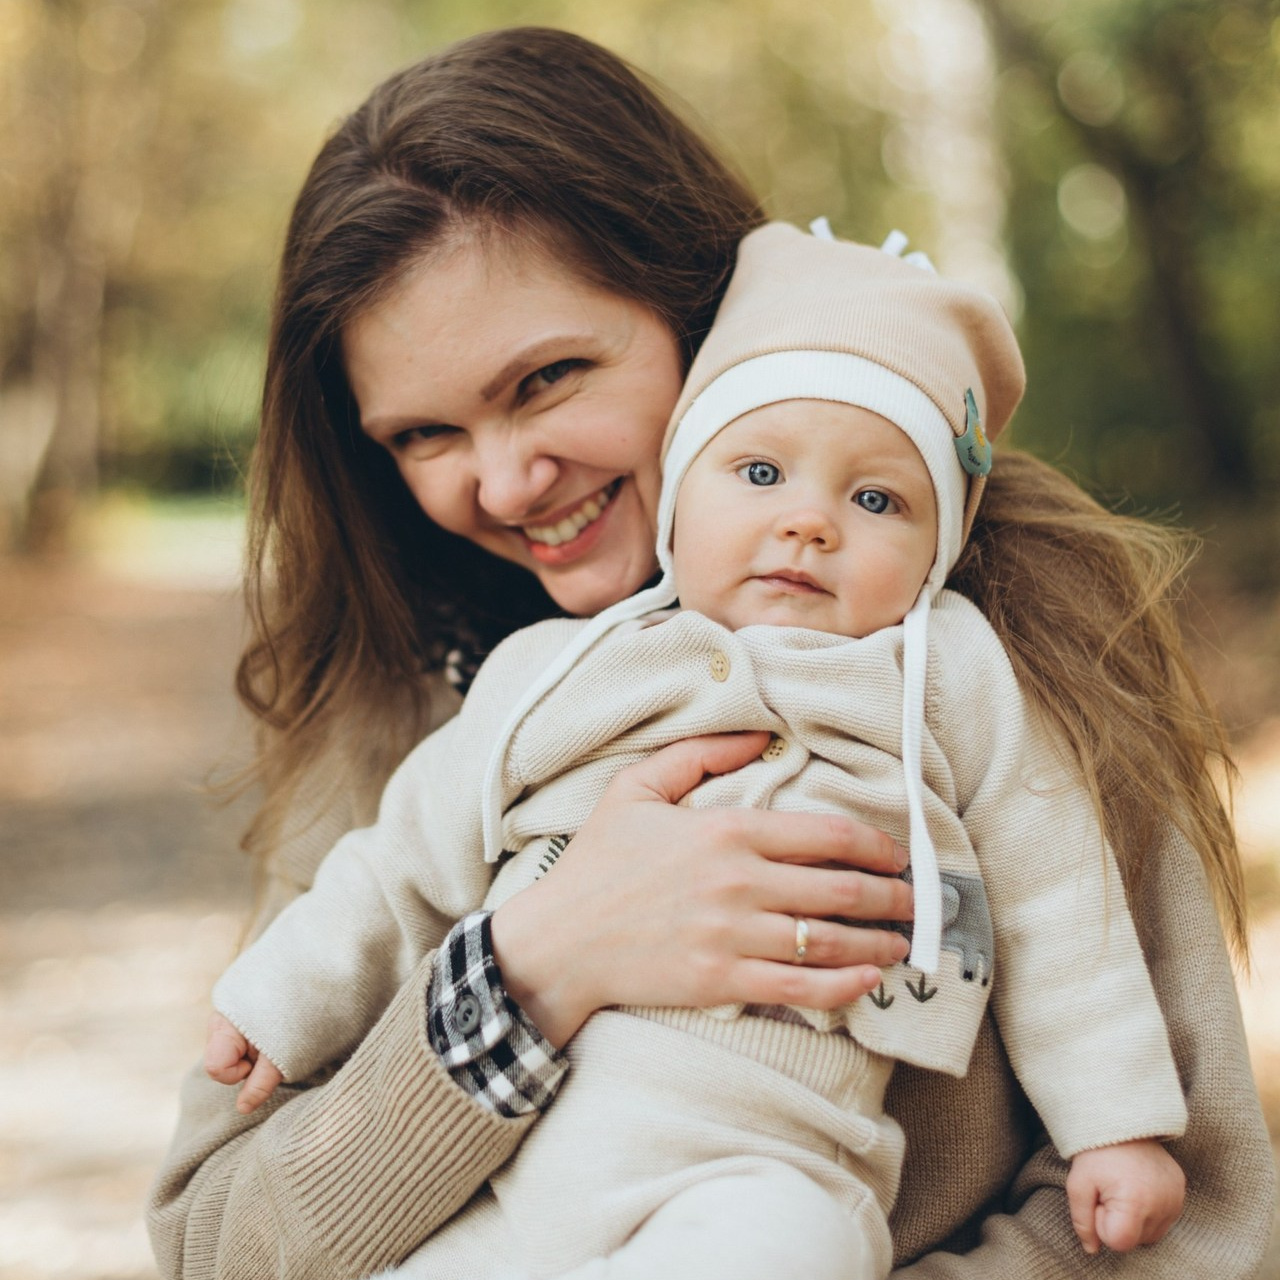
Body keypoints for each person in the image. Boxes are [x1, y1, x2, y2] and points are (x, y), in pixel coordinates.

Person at [148, 25, 1273, 1280]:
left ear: (702, 310)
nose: (510, 481)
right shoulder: (422, 696)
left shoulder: (1002, 634)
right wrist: (528, 969)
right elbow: (214, 1238)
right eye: (423, 435)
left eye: (548, 377)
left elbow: (1194, 1216)